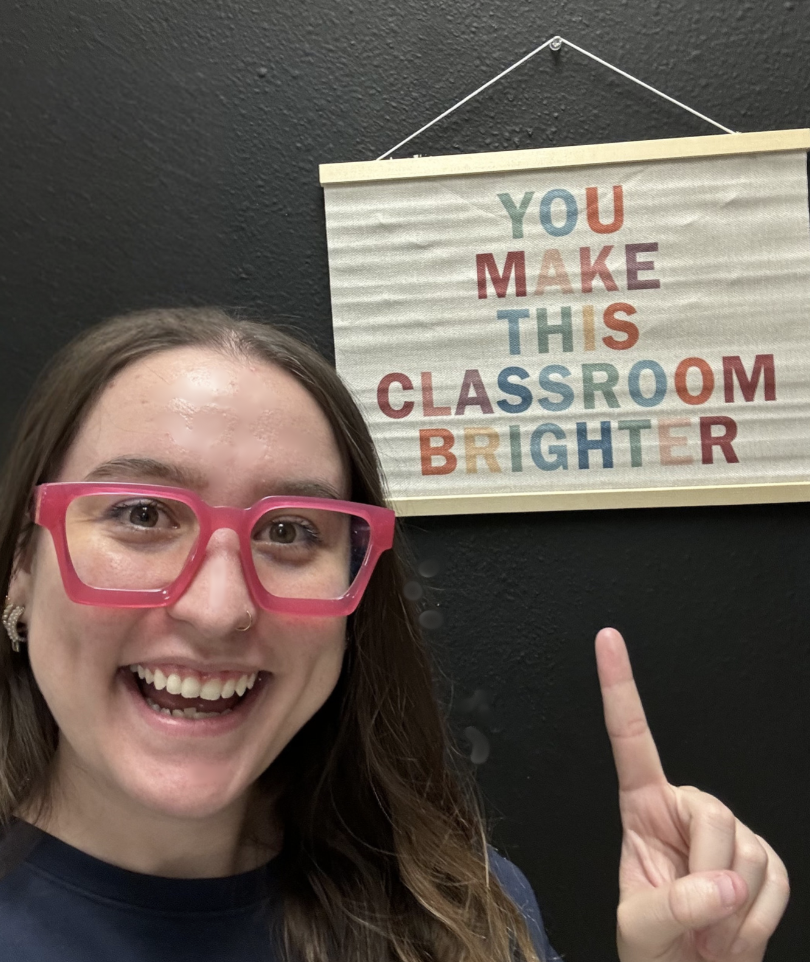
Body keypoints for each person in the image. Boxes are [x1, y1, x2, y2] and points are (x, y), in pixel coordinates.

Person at [0, 307, 788, 962]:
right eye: (142, 515)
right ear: (19, 571)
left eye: (291, 530)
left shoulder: (462, 919)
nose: (218, 608)